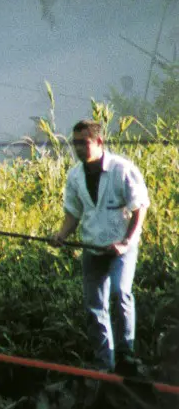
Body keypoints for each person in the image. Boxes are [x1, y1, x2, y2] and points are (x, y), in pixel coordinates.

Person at [49, 120, 149, 373]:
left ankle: (127, 355)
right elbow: (73, 212)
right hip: (92, 247)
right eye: (75, 143)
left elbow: (139, 207)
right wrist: (61, 235)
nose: (79, 148)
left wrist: (126, 242)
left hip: (121, 249)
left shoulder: (121, 169)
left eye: (84, 142)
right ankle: (104, 363)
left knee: (120, 293)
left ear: (99, 142)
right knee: (95, 307)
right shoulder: (74, 176)